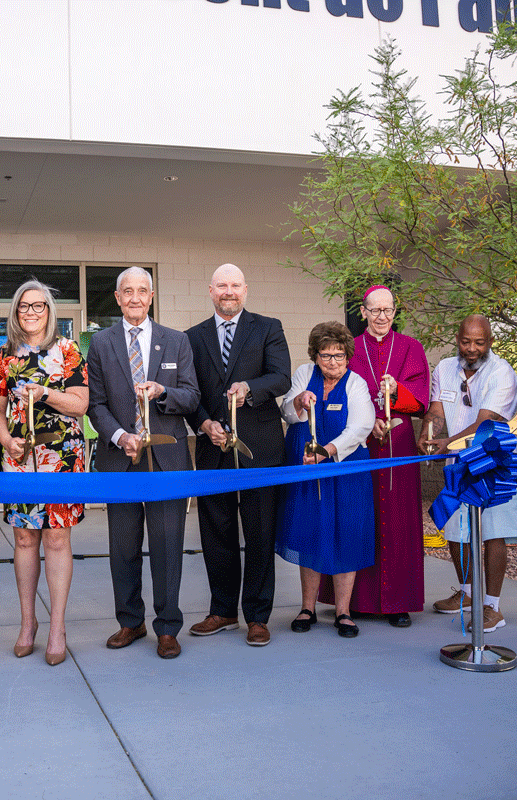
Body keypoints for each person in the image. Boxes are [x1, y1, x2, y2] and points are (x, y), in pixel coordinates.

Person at [87, 266, 200, 659]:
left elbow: (191, 397)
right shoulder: (101, 343)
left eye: (142, 291)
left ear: (151, 296)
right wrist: (122, 436)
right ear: (117, 298)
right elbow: (96, 405)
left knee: (168, 546)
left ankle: (168, 627)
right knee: (123, 547)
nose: (135, 298)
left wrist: (162, 391)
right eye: (127, 292)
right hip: (121, 459)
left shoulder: (176, 341)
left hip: (167, 460)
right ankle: (130, 621)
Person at [184, 263, 291, 647]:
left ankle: (258, 616)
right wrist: (203, 424)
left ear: (245, 290)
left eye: (235, 285)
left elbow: (282, 377)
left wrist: (250, 387)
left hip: (260, 448)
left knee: (261, 532)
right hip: (214, 451)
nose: (228, 291)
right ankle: (223, 610)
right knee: (216, 532)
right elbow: (189, 392)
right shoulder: (191, 338)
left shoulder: (268, 327)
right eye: (221, 286)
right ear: (210, 291)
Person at [0, 281, 88, 667]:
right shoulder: (4, 356)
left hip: (62, 455)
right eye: (23, 307)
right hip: (19, 456)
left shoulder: (68, 351)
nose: (30, 313)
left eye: (38, 306)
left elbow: (81, 404)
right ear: (15, 313)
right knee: (25, 540)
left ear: (50, 310)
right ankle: (28, 623)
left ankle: (58, 627)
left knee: (58, 540)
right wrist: (5, 441)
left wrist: (43, 393)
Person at [419, 315, 517, 633]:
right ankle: (467, 595)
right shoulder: (443, 369)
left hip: (499, 464)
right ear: (457, 338)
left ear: (490, 342)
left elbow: (484, 424)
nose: (471, 348)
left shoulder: (501, 373)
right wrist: (428, 432)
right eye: (466, 341)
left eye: (479, 342)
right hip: (459, 459)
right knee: (456, 528)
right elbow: (437, 410)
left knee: (492, 532)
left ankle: (492, 606)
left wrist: (445, 443)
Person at [328, 284, 429, 627]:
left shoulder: (411, 348)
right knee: (358, 516)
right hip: (358, 444)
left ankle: (397, 600)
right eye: (375, 310)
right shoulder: (350, 348)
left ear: (395, 312)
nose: (382, 317)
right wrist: (368, 424)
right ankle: (354, 601)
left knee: (398, 519)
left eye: (388, 310)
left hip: (397, 444)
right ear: (364, 312)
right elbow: (335, 391)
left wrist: (397, 391)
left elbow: (421, 399)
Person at [278, 322, 375, 638]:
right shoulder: (305, 374)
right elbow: (287, 413)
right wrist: (298, 402)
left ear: (348, 355)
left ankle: (343, 611)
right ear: (315, 355)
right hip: (307, 467)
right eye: (325, 356)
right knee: (311, 530)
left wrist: (328, 452)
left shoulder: (356, 384)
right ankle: (308, 607)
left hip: (345, 469)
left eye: (339, 355)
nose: (333, 362)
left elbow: (361, 427)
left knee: (345, 531)